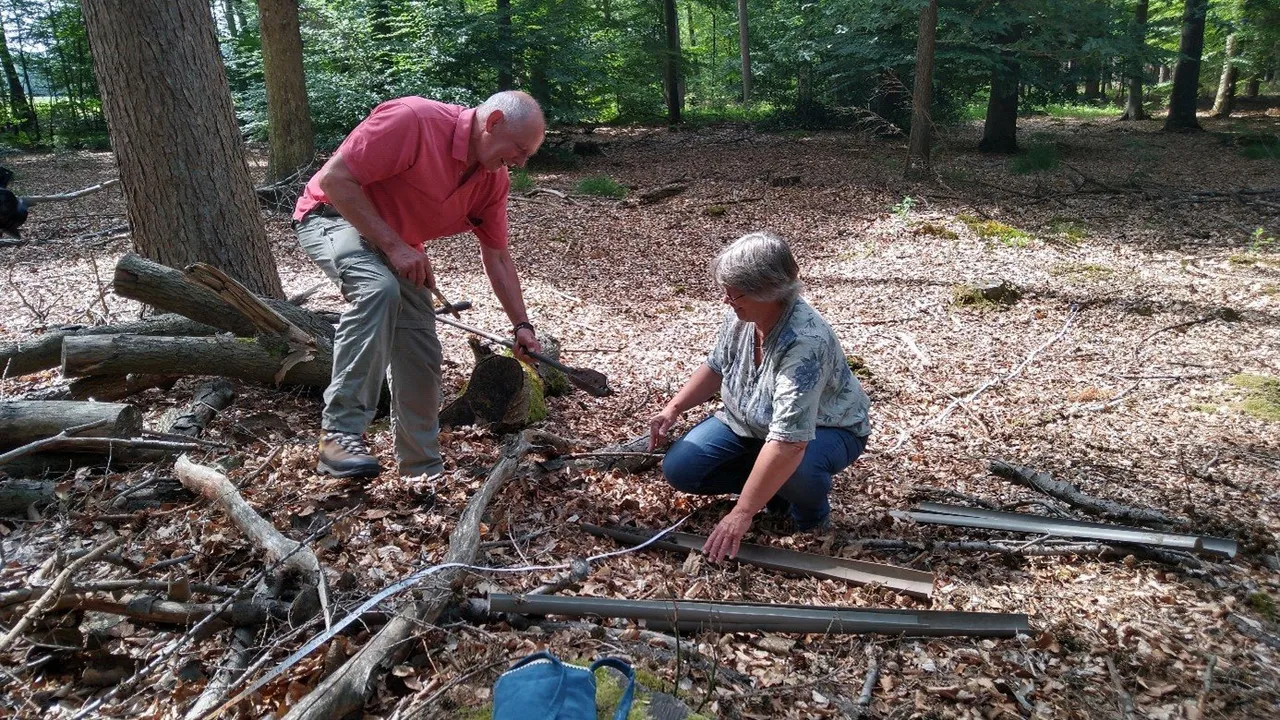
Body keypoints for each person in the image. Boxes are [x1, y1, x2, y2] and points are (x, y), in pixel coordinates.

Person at [293, 91, 546, 479]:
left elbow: (497, 257)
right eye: (519, 149)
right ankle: (339, 435)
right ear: (492, 122)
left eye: (528, 155)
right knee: (378, 290)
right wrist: (396, 246)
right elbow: (336, 179)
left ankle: (421, 466)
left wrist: (522, 326)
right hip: (332, 216)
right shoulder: (414, 121)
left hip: (397, 243)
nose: (520, 161)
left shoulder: (492, 181)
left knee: (420, 345)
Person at [648, 231, 872, 562]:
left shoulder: (805, 342)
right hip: (748, 422)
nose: (727, 300)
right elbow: (715, 367)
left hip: (826, 428)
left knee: (798, 468)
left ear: (769, 292)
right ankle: (773, 485)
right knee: (682, 468)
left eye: (735, 295)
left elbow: (789, 440)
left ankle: (810, 516)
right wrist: (674, 408)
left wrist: (742, 512)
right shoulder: (742, 316)